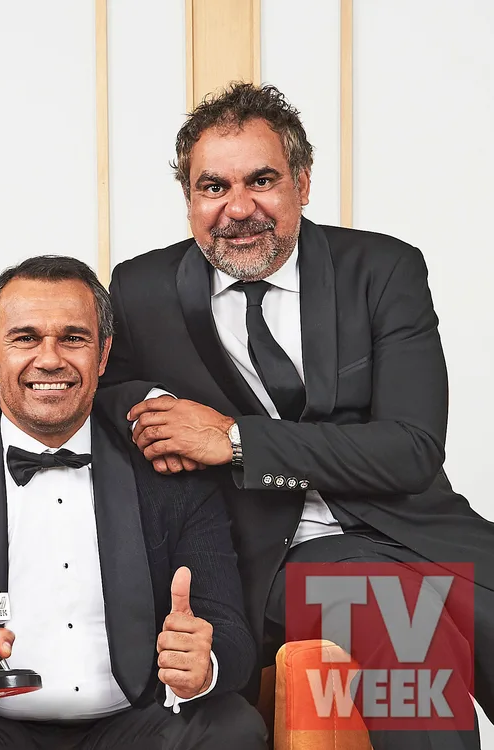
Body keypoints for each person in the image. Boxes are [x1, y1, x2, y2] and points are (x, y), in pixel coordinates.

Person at [97, 82, 494, 750]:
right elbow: (103, 387)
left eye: (261, 181)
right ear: (189, 198)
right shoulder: (141, 288)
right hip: (272, 555)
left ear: (303, 183)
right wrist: (153, 409)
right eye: (212, 187)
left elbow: (412, 449)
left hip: (415, 534)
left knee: (424, 602)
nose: (238, 209)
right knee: (401, 623)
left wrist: (233, 440)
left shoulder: (383, 270)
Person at [0, 256, 267, 750]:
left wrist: (203, 666)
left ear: (103, 354)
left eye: (73, 338)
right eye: (25, 338)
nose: (50, 359)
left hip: (137, 725)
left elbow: (228, 627)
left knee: (233, 728)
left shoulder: (170, 469)